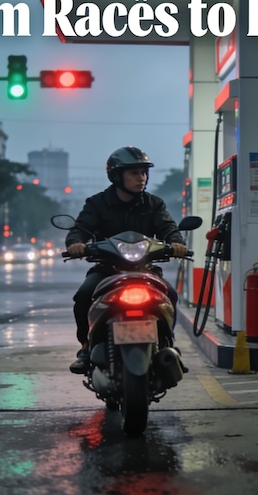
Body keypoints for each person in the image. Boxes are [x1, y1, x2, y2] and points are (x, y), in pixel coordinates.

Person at [65, 146, 189, 374]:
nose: (141, 178)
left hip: (145, 269)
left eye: (143, 173)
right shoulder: (97, 203)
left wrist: (176, 243)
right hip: (107, 269)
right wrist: (76, 243)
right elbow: (80, 228)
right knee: (83, 295)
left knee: (170, 295)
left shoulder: (154, 204)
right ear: (116, 176)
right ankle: (85, 347)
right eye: (134, 173)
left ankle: (167, 343)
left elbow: (168, 227)